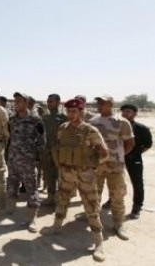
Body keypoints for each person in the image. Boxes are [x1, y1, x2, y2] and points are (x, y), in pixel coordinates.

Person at [41, 98, 109, 262]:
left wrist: (92, 167)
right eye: (68, 111)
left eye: (74, 111)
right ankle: (57, 226)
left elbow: (104, 153)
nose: (71, 114)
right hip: (66, 172)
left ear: (81, 112)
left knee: (91, 206)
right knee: (62, 199)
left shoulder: (90, 131)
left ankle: (98, 243)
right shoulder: (63, 128)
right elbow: (59, 147)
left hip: (85, 174)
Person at [91, 95, 134, 240]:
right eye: (98, 103)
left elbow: (130, 143)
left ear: (110, 104)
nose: (99, 105)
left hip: (115, 166)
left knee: (117, 195)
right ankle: (93, 218)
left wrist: (118, 156)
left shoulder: (122, 122)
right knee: (94, 194)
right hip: (97, 166)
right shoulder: (93, 121)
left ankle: (118, 224)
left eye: (102, 103)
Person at [4, 92, 45, 233]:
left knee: (31, 189)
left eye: (19, 101)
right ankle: (10, 208)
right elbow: (11, 138)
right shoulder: (12, 119)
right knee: (12, 183)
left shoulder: (36, 120)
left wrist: (37, 159)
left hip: (28, 161)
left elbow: (41, 142)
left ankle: (32, 218)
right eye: (15, 101)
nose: (16, 103)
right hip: (13, 159)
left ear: (27, 103)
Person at [120, 104, 152, 219]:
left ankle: (137, 207)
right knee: (116, 181)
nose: (124, 114)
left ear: (134, 114)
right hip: (118, 158)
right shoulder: (117, 126)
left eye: (128, 111)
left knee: (137, 183)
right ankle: (111, 200)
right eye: (123, 111)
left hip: (134, 159)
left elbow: (148, 145)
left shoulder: (141, 128)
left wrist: (136, 153)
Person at [41, 94, 67, 206]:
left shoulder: (64, 118)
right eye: (48, 101)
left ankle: (61, 198)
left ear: (58, 102)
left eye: (51, 101)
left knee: (61, 175)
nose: (48, 103)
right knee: (48, 174)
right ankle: (50, 197)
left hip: (59, 151)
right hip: (47, 151)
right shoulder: (44, 117)